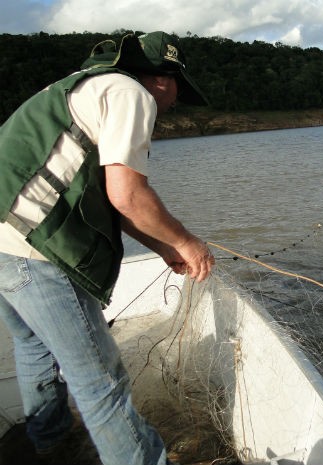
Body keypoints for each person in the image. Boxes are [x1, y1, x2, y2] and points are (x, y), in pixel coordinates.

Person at [0, 31, 214, 464]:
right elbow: (128, 195)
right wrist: (188, 243)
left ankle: (50, 444)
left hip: (4, 243)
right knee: (102, 384)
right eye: (178, 92)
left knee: (33, 347)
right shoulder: (129, 92)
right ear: (162, 79)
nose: (172, 106)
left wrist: (163, 246)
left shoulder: (82, 84)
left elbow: (111, 202)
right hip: (35, 252)